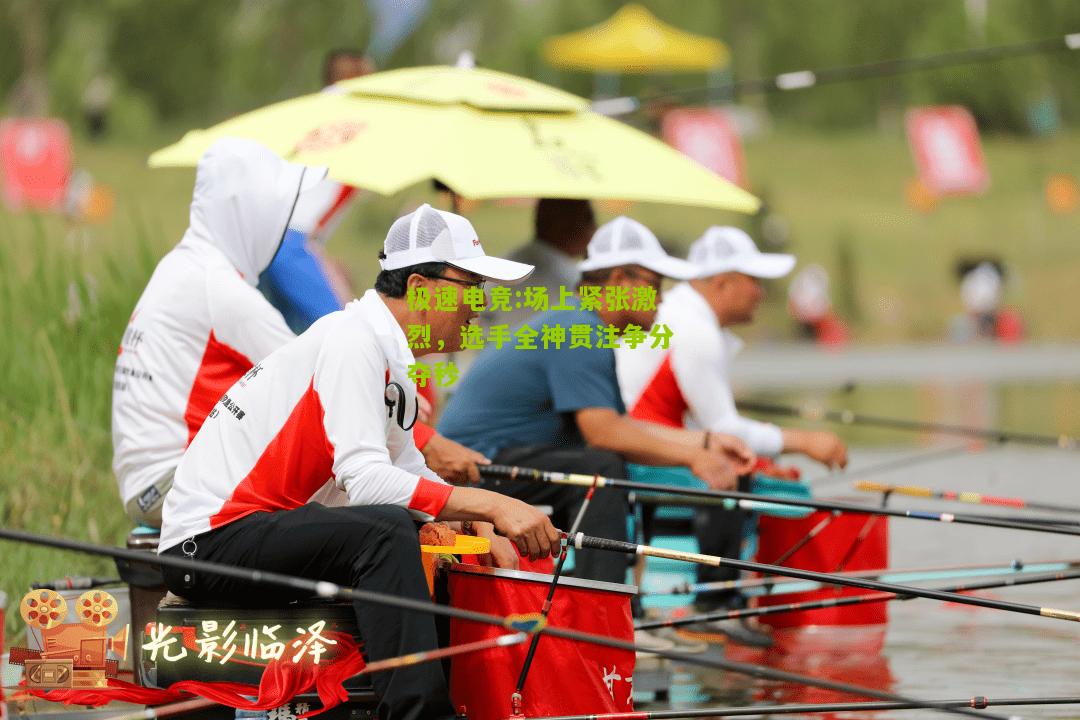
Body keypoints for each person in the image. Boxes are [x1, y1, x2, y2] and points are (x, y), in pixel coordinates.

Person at [158, 204, 560, 720]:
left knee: (430, 533)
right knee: (386, 529)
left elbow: (407, 470)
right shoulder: (353, 341)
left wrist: (480, 522)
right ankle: (418, 711)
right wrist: (493, 503)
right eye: (472, 287)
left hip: (264, 531)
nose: (479, 306)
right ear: (421, 287)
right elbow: (367, 481)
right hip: (207, 543)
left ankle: (455, 694)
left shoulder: (389, 358)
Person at [438, 216, 755, 649]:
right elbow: (605, 434)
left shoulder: (582, 325)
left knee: (616, 464)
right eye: (655, 284)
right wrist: (693, 456)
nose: (661, 301)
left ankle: (618, 613)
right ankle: (599, 629)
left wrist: (706, 441)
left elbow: (622, 428)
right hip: (468, 468)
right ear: (622, 279)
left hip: (508, 457)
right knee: (603, 468)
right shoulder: (578, 329)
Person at [617, 226, 848, 644]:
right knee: (730, 472)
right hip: (632, 450)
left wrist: (760, 459)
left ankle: (668, 601)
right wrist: (808, 442)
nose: (761, 293)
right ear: (721, 283)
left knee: (740, 465)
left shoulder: (680, 313)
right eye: (753, 281)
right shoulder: (694, 328)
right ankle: (714, 607)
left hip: (640, 441)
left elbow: (704, 427)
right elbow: (723, 430)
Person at [111, 138, 322, 528]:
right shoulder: (220, 290)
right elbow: (320, 375)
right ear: (247, 213)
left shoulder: (183, 266)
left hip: (146, 482)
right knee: (334, 472)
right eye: (274, 211)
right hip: (171, 483)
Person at [483, 198, 596, 329]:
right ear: (565, 225)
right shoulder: (573, 280)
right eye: (589, 220)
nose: (594, 229)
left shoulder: (500, 267)